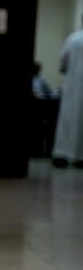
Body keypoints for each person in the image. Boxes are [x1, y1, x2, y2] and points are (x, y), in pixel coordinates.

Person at [57, 21, 83, 167]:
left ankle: (62, 153)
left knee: (67, 121)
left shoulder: (73, 39)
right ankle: (80, 157)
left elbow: (62, 64)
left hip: (72, 89)